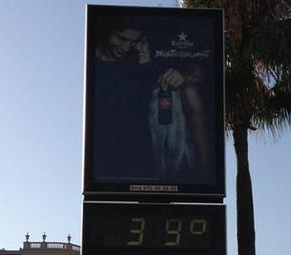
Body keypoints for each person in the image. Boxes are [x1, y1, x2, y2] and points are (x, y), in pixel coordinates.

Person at [91, 15, 213, 184]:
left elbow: (198, 69)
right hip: (110, 171)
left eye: (132, 41)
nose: (126, 46)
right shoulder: (93, 71)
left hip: (147, 168)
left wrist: (150, 62)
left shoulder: (138, 62)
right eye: (121, 38)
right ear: (106, 31)